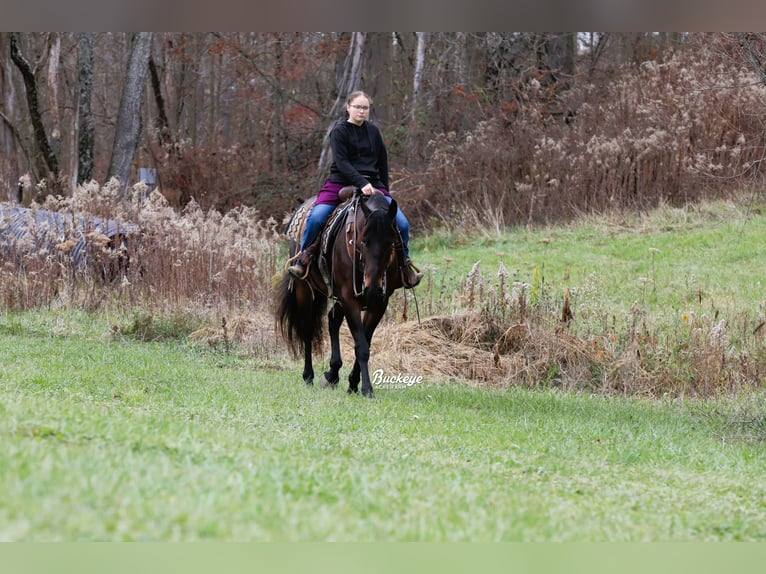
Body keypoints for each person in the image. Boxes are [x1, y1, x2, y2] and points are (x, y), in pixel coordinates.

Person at [288, 91, 422, 288]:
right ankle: (303, 258)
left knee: (402, 223)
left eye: (365, 108)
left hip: (373, 185)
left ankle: (405, 264)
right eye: (358, 107)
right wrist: (361, 183)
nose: (362, 111)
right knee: (317, 216)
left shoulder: (374, 132)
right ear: (348, 107)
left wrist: (384, 190)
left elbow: (382, 162)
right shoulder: (339, 131)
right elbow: (341, 162)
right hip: (340, 183)